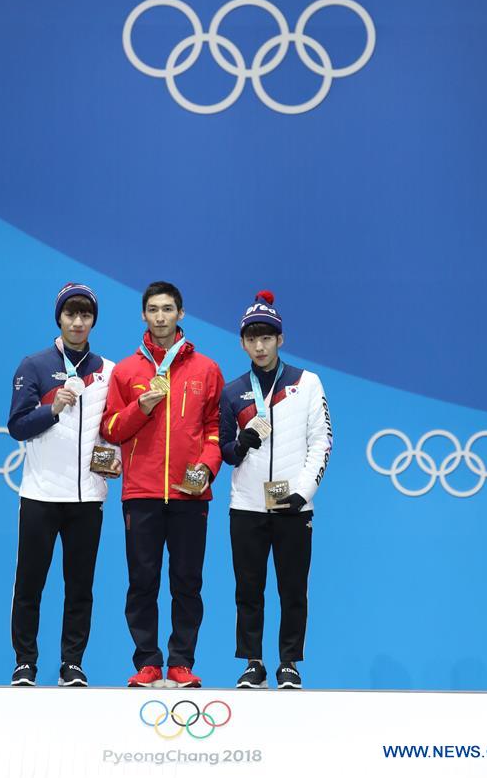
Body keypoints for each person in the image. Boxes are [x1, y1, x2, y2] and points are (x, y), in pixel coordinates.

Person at [101, 281, 223, 689]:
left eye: (168, 309)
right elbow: (112, 428)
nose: (160, 316)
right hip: (142, 492)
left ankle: (181, 663)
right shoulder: (126, 371)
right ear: (143, 315)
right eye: (153, 309)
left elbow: (214, 430)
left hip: (190, 493)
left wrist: (206, 467)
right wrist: (143, 405)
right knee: (142, 581)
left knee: (188, 582)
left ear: (181, 314)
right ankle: (148, 662)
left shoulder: (206, 369)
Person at [7, 283, 120, 688]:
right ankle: (25, 662)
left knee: (80, 587)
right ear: (59, 318)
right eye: (70, 314)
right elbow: (17, 427)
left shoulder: (108, 371)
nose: (77, 322)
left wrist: (113, 454)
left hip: (88, 498)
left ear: (93, 321)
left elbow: (112, 428)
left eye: (85, 315)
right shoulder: (34, 366)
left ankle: (72, 663)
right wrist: (51, 410)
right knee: (30, 584)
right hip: (40, 494)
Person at [219, 290, 332, 690]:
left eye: (267, 337)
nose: (260, 345)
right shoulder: (233, 392)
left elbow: (322, 441)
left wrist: (302, 493)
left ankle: (289, 662)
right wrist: (243, 441)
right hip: (247, 506)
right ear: (243, 343)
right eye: (252, 338)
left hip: (294, 508)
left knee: (292, 589)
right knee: (248, 590)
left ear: (280, 339)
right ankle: (253, 662)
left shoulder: (306, 383)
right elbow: (225, 453)